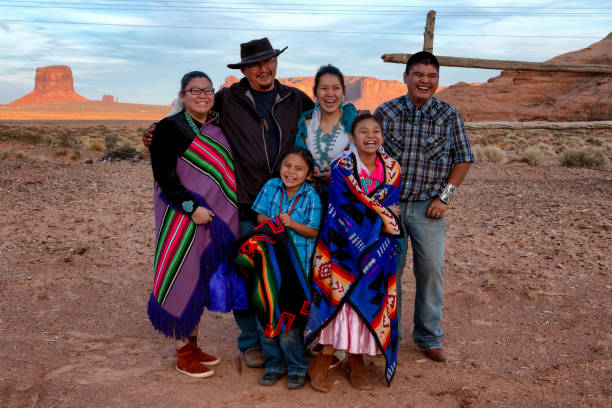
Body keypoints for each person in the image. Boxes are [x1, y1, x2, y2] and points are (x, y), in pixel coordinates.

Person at [143, 38, 314, 368]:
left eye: (268, 62)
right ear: (244, 70)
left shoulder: (295, 98)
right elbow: (186, 116)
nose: (263, 69)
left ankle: (291, 345)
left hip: (289, 205)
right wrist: (154, 130)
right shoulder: (228, 98)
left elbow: (326, 117)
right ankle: (252, 343)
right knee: (247, 278)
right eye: (254, 65)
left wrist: (352, 118)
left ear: (276, 63)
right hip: (246, 205)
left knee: (290, 276)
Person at [374, 51, 474, 363]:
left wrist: (444, 198)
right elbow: (370, 157)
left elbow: (464, 157)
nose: (425, 81)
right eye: (418, 75)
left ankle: (428, 337)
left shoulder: (448, 115)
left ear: (437, 81)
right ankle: (389, 335)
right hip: (390, 209)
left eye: (431, 76)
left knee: (430, 272)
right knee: (390, 272)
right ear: (405, 77)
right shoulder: (385, 112)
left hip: (428, 209)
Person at [146, 71, 247, 377]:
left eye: (208, 90)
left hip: (211, 217)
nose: (202, 95)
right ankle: (182, 353)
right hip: (180, 215)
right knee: (182, 273)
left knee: (200, 276)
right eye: (195, 91)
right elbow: (165, 175)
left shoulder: (217, 125)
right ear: (182, 96)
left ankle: (192, 344)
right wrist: (191, 208)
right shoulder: (169, 127)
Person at [305, 114, 402, 392]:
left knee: (366, 300)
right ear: (352, 138)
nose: (370, 136)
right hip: (341, 246)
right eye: (363, 131)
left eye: (376, 131)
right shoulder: (342, 166)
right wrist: (382, 212)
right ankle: (323, 358)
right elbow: (345, 208)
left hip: (379, 250)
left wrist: (377, 212)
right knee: (339, 301)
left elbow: (387, 206)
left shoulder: (393, 169)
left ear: (382, 136)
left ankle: (355, 359)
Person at [236, 147, 322, 389]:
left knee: (290, 319)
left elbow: (313, 231)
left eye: (299, 169)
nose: (291, 172)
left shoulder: (311, 196)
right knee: (266, 315)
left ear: (308, 175)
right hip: (267, 266)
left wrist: (290, 224)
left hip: (296, 270)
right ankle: (273, 364)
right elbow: (260, 217)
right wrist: (274, 223)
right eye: (287, 165)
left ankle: (296, 367)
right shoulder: (271, 186)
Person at [295, 64, 358, 208]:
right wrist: (308, 170)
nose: (330, 94)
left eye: (336, 88)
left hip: (346, 202)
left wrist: (338, 175)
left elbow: (369, 166)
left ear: (343, 91)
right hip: (308, 203)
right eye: (323, 88)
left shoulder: (355, 124)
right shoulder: (304, 125)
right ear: (315, 92)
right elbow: (296, 160)